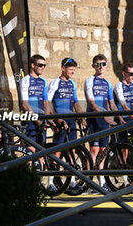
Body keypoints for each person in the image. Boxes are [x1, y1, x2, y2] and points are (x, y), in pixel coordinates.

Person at [47, 58, 87, 192]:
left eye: (74, 70)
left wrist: (82, 117)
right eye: (70, 70)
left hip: (70, 121)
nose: (72, 72)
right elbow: (48, 101)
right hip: (60, 120)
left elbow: (76, 102)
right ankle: (50, 182)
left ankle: (72, 182)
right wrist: (55, 119)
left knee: (72, 150)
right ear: (63, 68)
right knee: (56, 151)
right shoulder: (55, 83)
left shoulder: (72, 84)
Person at [84, 54, 118, 192]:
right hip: (94, 118)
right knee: (94, 150)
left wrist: (118, 117)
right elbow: (91, 103)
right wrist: (105, 117)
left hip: (104, 119)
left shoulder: (108, 83)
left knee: (104, 151)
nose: (100, 67)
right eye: (97, 64)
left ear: (106, 65)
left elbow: (112, 103)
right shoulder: (89, 80)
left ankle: (102, 182)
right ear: (93, 66)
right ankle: (88, 183)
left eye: (103, 64)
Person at [20, 54, 50, 153]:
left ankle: (40, 169)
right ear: (33, 65)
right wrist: (37, 120)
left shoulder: (44, 82)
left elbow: (46, 102)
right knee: (31, 149)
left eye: (44, 65)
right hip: (30, 118)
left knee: (41, 150)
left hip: (41, 118)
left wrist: (46, 119)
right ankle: (30, 169)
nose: (43, 68)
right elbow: (24, 104)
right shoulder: (25, 80)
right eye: (40, 65)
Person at [114, 62, 133, 142]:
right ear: (124, 73)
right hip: (121, 118)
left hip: (131, 117)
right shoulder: (119, 86)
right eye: (131, 74)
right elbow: (124, 106)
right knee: (123, 147)